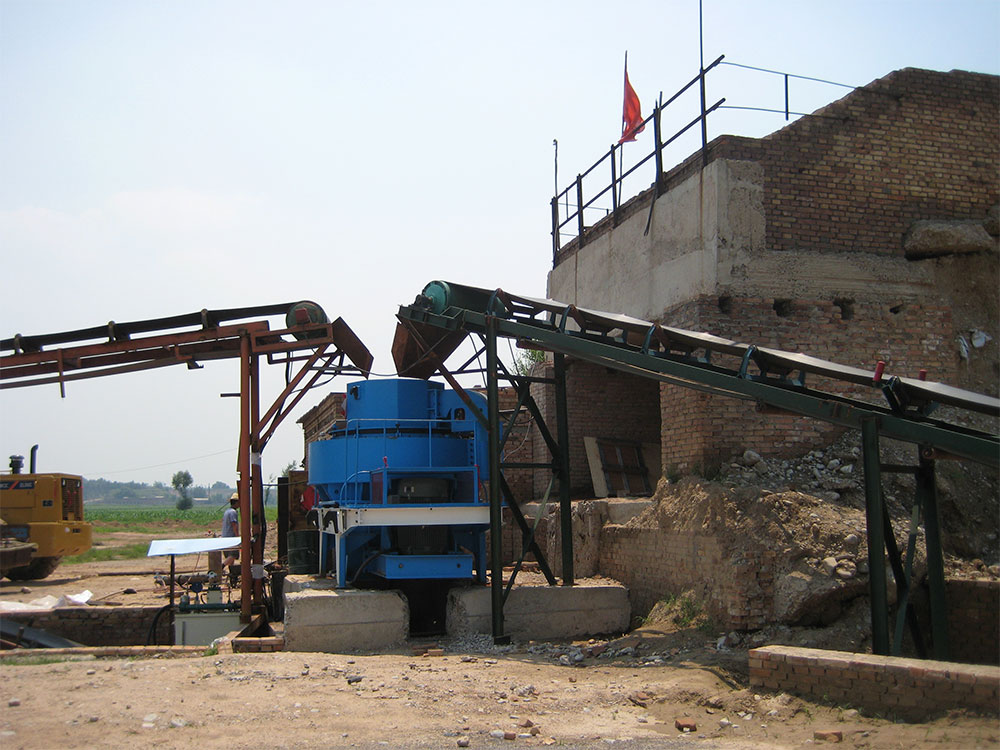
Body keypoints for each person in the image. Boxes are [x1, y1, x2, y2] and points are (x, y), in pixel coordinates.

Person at [221, 493, 240, 581]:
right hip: (231, 538)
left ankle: (232, 575)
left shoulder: (227, 511)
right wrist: (237, 537)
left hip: (225, 537)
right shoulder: (233, 512)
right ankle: (221, 566)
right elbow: (234, 524)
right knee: (234, 555)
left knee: (230, 557)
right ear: (236, 502)